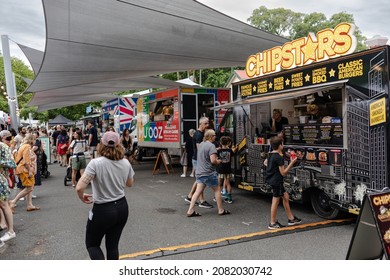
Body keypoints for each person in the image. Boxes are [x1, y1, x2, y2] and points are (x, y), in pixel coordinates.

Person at [76, 131, 134, 260]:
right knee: (113, 246)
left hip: (102, 209)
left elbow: (80, 187)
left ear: (101, 145)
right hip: (122, 206)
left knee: (92, 244)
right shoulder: (125, 162)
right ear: (119, 145)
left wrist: (82, 196)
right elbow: (129, 183)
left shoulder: (96, 163)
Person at [186, 129, 230, 217]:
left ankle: (190, 210)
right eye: (214, 135)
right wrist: (219, 161)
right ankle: (221, 210)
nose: (215, 137)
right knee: (217, 190)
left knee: (197, 192)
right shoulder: (211, 146)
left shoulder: (201, 144)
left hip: (200, 172)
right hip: (209, 173)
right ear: (210, 136)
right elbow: (213, 160)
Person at [265, 136, 301, 229]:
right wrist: (291, 163)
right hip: (277, 181)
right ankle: (272, 223)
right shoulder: (278, 157)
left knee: (285, 196)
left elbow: (265, 163)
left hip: (272, 180)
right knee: (275, 200)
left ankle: (291, 218)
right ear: (280, 145)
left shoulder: (270, 154)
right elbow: (283, 173)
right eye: (282, 144)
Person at [184, 117, 213, 209]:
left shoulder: (199, 133)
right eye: (206, 123)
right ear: (201, 124)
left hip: (197, 159)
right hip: (198, 160)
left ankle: (190, 196)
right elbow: (199, 148)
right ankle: (201, 201)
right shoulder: (199, 135)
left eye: (208, 123)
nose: (207, 125)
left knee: (199, 180)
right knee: (201, 180)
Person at [9, 134, 39, 212]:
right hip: (24, 169)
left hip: (21, 168)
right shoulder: (27, 147)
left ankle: (29, 204)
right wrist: (29, 170)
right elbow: (26, 160)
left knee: (29, 187)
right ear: (32, 140)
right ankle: (13, 201)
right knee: (29, 188)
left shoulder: (23, 146)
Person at [0, 130, 17, 246]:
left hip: (1, 180)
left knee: (4, 204)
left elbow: (12, 163)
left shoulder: (2, 146)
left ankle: (11, 231)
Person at [217, 136, 235, 203]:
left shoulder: (218, 151)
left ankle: (217, 197)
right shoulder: (230, 151)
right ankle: (229, 197)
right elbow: (232, 159)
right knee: (228, 183)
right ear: (228, 143)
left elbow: (217, 159)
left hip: (221, 169)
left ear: (220, 143)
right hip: (228, 168)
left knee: (219, 184)